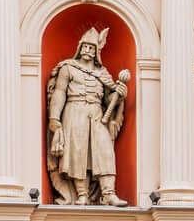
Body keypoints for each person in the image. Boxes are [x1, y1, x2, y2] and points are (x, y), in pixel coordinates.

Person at [47, 26, 131, 205]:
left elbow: (109, 101)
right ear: (79, 48)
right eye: (84, 46)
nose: (87, 50)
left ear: (96, 51)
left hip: (96, 113)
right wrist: (54, 118)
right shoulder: (69, 68)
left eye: (91, 48)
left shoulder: (103, 73)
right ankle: (82, 194)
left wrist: (119, 95)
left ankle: (109, 193)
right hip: (74, 110)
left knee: (105, 151)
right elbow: (60, 92)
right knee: (78, 153)